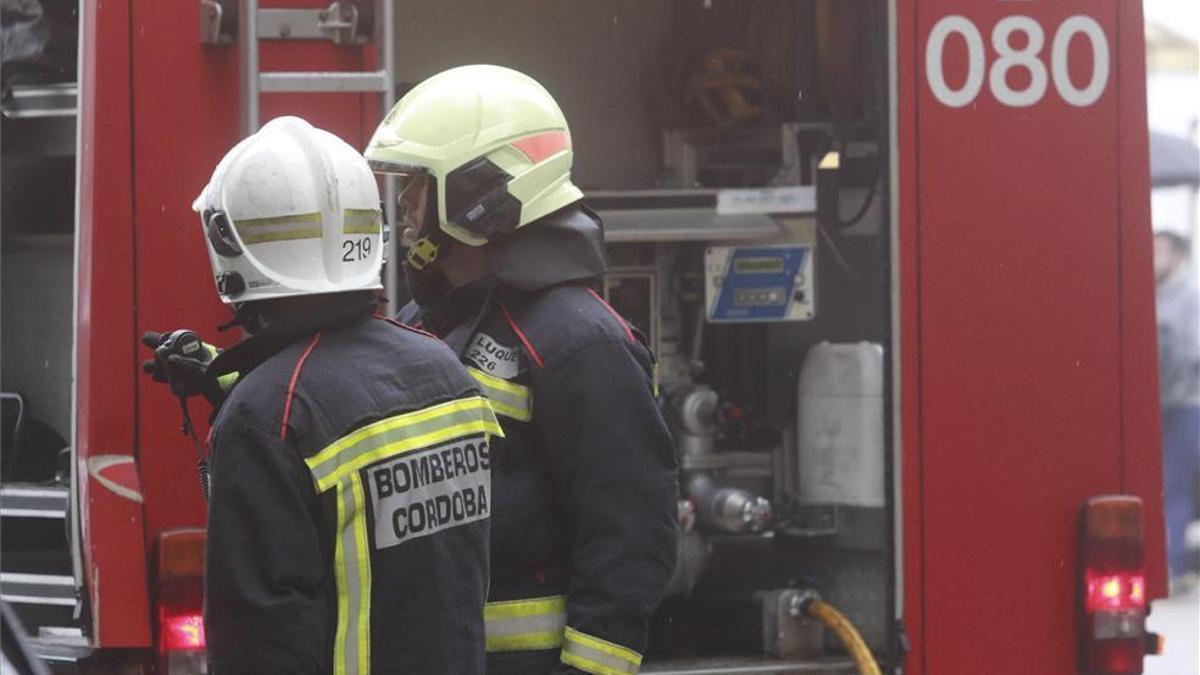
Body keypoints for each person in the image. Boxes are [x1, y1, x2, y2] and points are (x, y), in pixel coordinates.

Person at [143, 117, 500, 674]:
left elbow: (261, 642)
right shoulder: (443, 370)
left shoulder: (268, 417)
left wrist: (248, 399)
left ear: (230, 245)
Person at [365, 65, 679, 675]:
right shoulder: (428, 318)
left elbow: (631, 537)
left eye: (419, 184)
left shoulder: (582, 342)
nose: (403, 204)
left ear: (478, 194)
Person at [1153, 230, 1200, 586]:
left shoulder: (1190, 297)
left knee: (1175, 485)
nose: (1154, 257)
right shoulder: (1149, 294)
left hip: (1184, 405)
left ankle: (1175, 564)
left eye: (1161, 251)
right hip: (1157, 406)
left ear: (1179, 255)